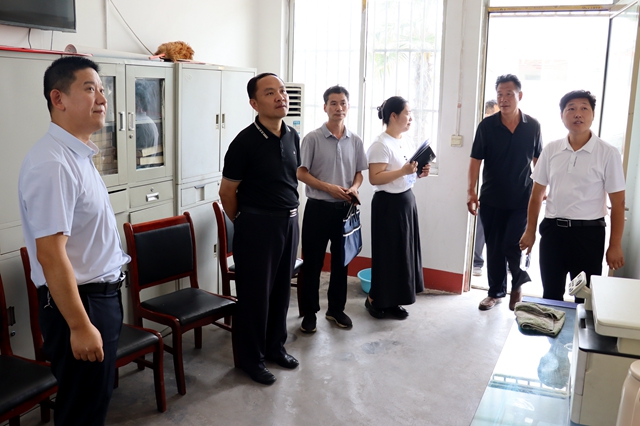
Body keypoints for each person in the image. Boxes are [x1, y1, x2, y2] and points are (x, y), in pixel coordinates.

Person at [18, 56, 130, 426]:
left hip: (98, 299)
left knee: (93, 402)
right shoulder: (53, 163)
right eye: (90, 88)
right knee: (82, 411)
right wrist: (80, 327)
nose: (102, 98)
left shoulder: (77, 154)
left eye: (102, 89)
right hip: (79, 306)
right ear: (58, 98)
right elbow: (50, 254)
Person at [219, 73, 300, 385]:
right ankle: (250, 360)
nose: (280, 97)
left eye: (282, 90)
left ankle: (275, 348)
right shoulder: (244, 142)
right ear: (254, 103)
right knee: (255, 296)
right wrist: (244, 222)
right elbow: (227, 192)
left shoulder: (292, 136)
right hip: (257, 226)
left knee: (281, 291)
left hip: (289, 223)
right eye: (270, 93)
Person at [519, 90, 625, 301]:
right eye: (571, 109)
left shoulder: (608, 153)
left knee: (584, 298)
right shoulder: (551, 149)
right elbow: (537, 193)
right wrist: (530, 231)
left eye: (584, 108)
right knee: (551, 294)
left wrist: (615, 244)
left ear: (593, 115)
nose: (578, 114)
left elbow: (618, 202)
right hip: (553, 232)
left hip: (589, 235)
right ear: (562, 115)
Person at [467, 74, 542, 311]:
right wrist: (471, 192)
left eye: (509, 94)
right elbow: (475, 160)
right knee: (494, 247)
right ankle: (495, 292)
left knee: (513, 242)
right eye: (500, 94)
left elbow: (538, 161)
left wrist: (543, 190)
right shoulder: (487, 126)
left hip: (522, 198)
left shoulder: (533, 126)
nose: (503, 99)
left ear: (520, 95)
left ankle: (518, 281)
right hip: (491, 198)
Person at [298, 85, 368, 333]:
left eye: (343, 103)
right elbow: (301, 173)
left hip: (345, 211)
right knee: (312, 263)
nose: (339, 108)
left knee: (341, 262)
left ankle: (336, 310)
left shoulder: (355, 140)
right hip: (317, 209)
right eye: (334, 103)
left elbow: (359, 173)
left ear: (348, 106)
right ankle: (309, 313)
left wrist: (354, 188)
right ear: (325, 107)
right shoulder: (312, 138)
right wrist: (328, 188)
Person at [365, 96, 430, 319]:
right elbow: (375, 177)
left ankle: (393, 301)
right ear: (393, 116)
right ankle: (375, 300)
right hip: (388, 205)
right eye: (407, 113)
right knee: (387, 255)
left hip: (406, 201)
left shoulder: (405, 141)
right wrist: (403, 171)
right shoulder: (380, 144)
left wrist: (418, 173)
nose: (411, 118)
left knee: (403, 255)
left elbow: (405, 173)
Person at [472, 99, 500, 277]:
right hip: (487, 191)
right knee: (481, 228)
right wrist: (471, 191)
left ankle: (513, 266)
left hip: (512, 195)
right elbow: (475, 160)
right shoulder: (484, 131)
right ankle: (477, 262)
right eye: (489, 115)